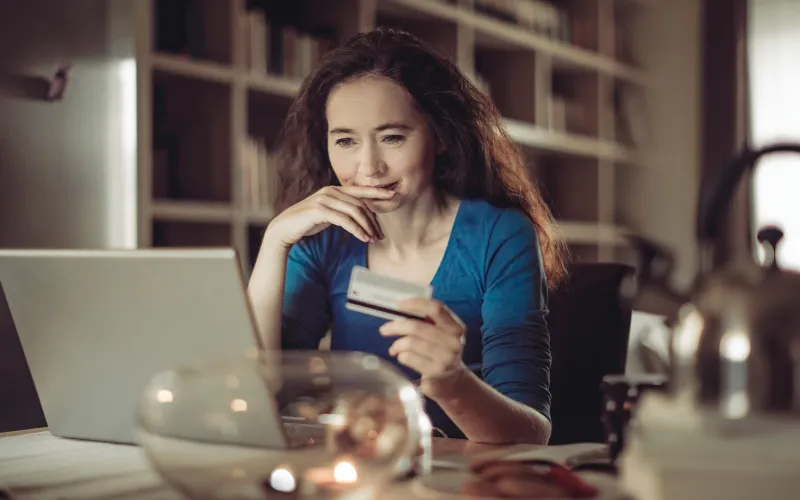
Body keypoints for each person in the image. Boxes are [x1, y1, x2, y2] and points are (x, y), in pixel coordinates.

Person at [247, 27, 568, 445]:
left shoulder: (499, 235)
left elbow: (531, 434)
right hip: (356, 469)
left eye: (392, 138)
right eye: (345, 140)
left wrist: (452, 383)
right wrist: (275, 242)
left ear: (440, 137)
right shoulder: (325, 237)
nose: (369, 166)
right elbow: (259, 386)